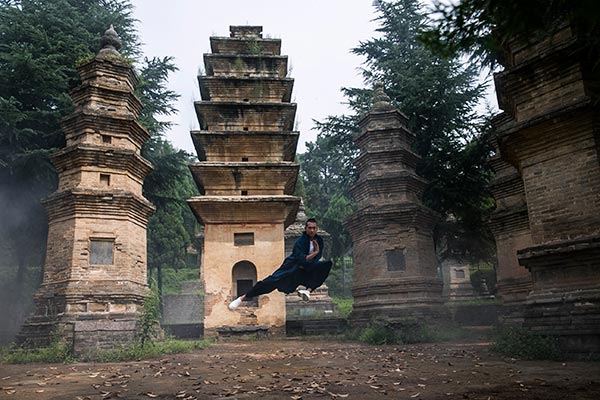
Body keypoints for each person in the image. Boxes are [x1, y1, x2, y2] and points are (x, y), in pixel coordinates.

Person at [228, 218, 333, 310]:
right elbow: (301, 259)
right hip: (292, 267)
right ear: (305, 229)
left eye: (314, 228)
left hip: (306, 269)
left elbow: (318, 257)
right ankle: (243, 297)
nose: (312, 230)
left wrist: (313, 261)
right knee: (270, 282)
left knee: (326, 265)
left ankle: (308, 291)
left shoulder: (319, 240)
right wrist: (315, 252)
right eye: (310, 228)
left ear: (317, 229)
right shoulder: (300, 242)